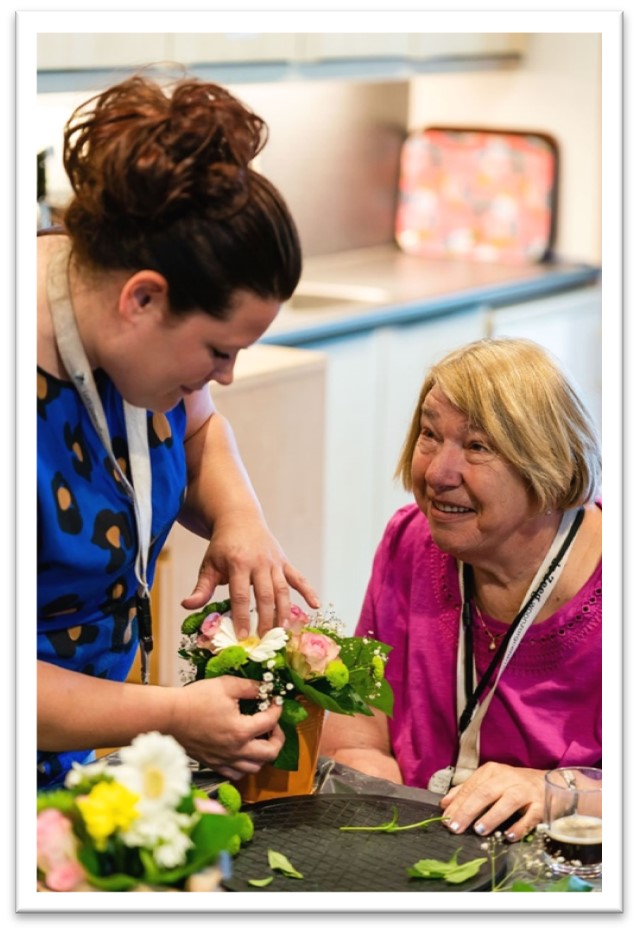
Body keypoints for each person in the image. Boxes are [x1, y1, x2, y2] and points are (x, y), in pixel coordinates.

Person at [37, 73, 320, 789]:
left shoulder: (102, 303)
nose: (226, 376)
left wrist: (239, 516)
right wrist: (170, 713)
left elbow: (197, 432)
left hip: (73, 763)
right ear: (143, 299)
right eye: (218, 350)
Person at [320, 337, 602, 843]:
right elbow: (360, 717)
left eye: (477, 446)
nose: (436, 472)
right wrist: (371, 781)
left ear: (551, 464)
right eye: (430, 435)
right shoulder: (411, 540)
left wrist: (559, 791)